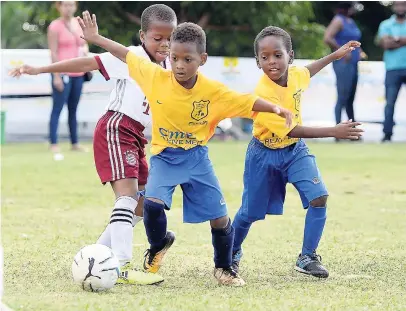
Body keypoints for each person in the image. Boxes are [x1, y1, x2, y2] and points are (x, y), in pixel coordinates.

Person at [77, 10, 295, 286]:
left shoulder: (213, 92)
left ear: (202, 60)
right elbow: (126, 54)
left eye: (187, 60)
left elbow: (248, 102)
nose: (179, 65)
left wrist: (275, 107)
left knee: (219, 218)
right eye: (175, 59)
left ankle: (224, 268)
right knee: (152, 205)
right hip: (164, 157)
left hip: (196, 158)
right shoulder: (155, 76)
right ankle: (157, 247)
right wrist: (96, 38)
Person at [10, 4, 178, 285]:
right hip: (117, 127)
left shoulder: (171, 65)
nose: (163, 44)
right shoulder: (132, 56)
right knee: (126, 197)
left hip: (137, 136)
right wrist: (40, 69)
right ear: (142, 36)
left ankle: (97, 256)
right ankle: (121, 267)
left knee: (142, 204)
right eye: (156, 38)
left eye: (168, 38)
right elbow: (87, 63)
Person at [231, 26, 363, 279]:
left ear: (290, 56)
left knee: (319, 197)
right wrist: (334, 131)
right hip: (264, 153)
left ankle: (307, 257)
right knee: (249, 212)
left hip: (295, 152)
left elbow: (308, 71)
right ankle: (231, 252)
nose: (272, 62)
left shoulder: (295, 74)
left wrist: (335, 55)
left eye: (277, 55)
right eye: (265, 57)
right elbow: (291, 131)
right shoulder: (263, 93)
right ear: (257, 62)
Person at [48, 1, 88, 153]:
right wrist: (56, 76)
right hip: (62, 72)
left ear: (75, 6)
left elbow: (84, 44)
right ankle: (53, 143)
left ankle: (75, 143)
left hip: (78, 73)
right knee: (57, 108)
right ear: (59, 7)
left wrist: (84, 49)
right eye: (65, 5)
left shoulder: (79, 24)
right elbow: (53, 52)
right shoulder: (54, 26)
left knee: (73, 109)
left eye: (71, 5)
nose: (68, 8)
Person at [324, 1, 365, 128]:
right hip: (343, 63)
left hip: (353, 63)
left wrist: (360, 51)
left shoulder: (350, 21)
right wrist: (342, 51)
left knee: (350, 98)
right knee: (343, 96)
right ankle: (337, 129)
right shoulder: (338, 20)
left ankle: (352, 130)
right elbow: (327, 38)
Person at [377, 1, 406, 142]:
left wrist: (396, 40)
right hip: (393, 68)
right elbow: (386, 44)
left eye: (403, 5)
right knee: (390, 103)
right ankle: (387, 133)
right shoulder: (385, 24)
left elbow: (391, 42)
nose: (401, 8)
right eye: (398, 5)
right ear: (394, 7)